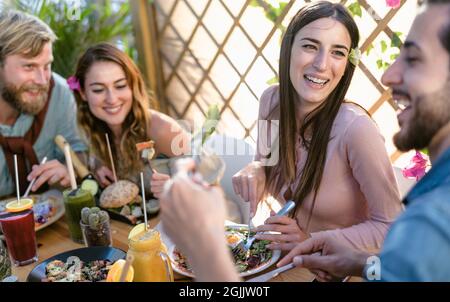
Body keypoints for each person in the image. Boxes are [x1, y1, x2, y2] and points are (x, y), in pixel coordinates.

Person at [277, 0, 450, 282]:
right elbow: (409, 271)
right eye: (310, 45)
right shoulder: (272, 103)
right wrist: (359, 263)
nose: (387, 75)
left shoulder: (434, 216)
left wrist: (204, 245)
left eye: (415, 59)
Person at [232, 1, 402, 254]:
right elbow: (267, 164)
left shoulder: (357, 130)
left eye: (337, 52)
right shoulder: (271, 102)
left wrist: (310, 240)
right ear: (288, 49)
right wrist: (257, 169)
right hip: (283, 258)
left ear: (347, 65)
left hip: (338, 269)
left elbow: (392, 227)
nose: (322, 64)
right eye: (310, 46)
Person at [70, 43, 190, 193]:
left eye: (120, 86)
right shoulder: (93, 130)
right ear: (83, 93)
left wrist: (175, 188)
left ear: (133, 86)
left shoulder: (162, 129)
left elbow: (208, 187)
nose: (112, 99)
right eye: (98, 90)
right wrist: (98, 168)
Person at [0, 10, 86, 198]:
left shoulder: (59, 93)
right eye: (29, 66)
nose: (41, 80)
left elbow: (78, 152)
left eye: (47, 66)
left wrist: (66, 168)